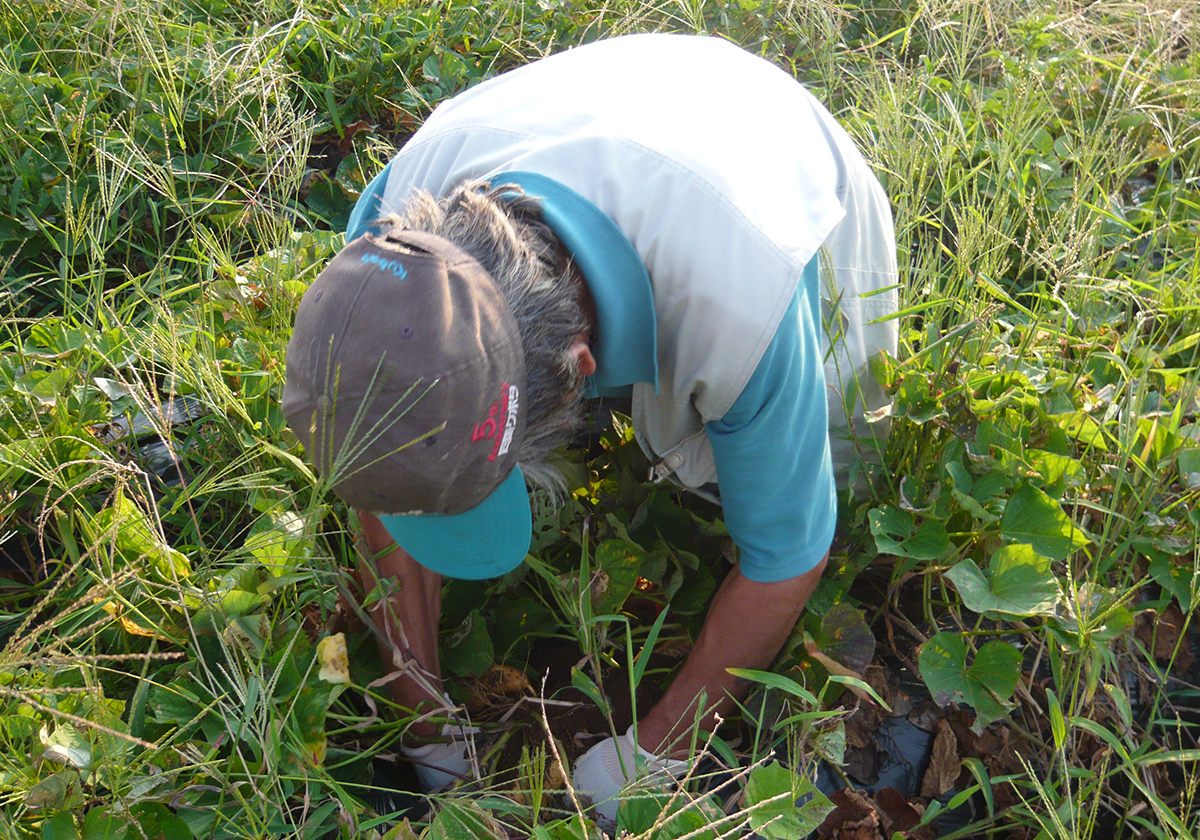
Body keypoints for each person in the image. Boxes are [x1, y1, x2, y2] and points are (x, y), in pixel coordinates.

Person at [282, 33, 897, 820]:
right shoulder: (384, 250)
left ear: (581, 367)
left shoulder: (747, 305)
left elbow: (787, 557)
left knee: (821, 464)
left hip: (774, 151)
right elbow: (382, 478)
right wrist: (423, 720)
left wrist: (657, 751)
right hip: (602, 109)